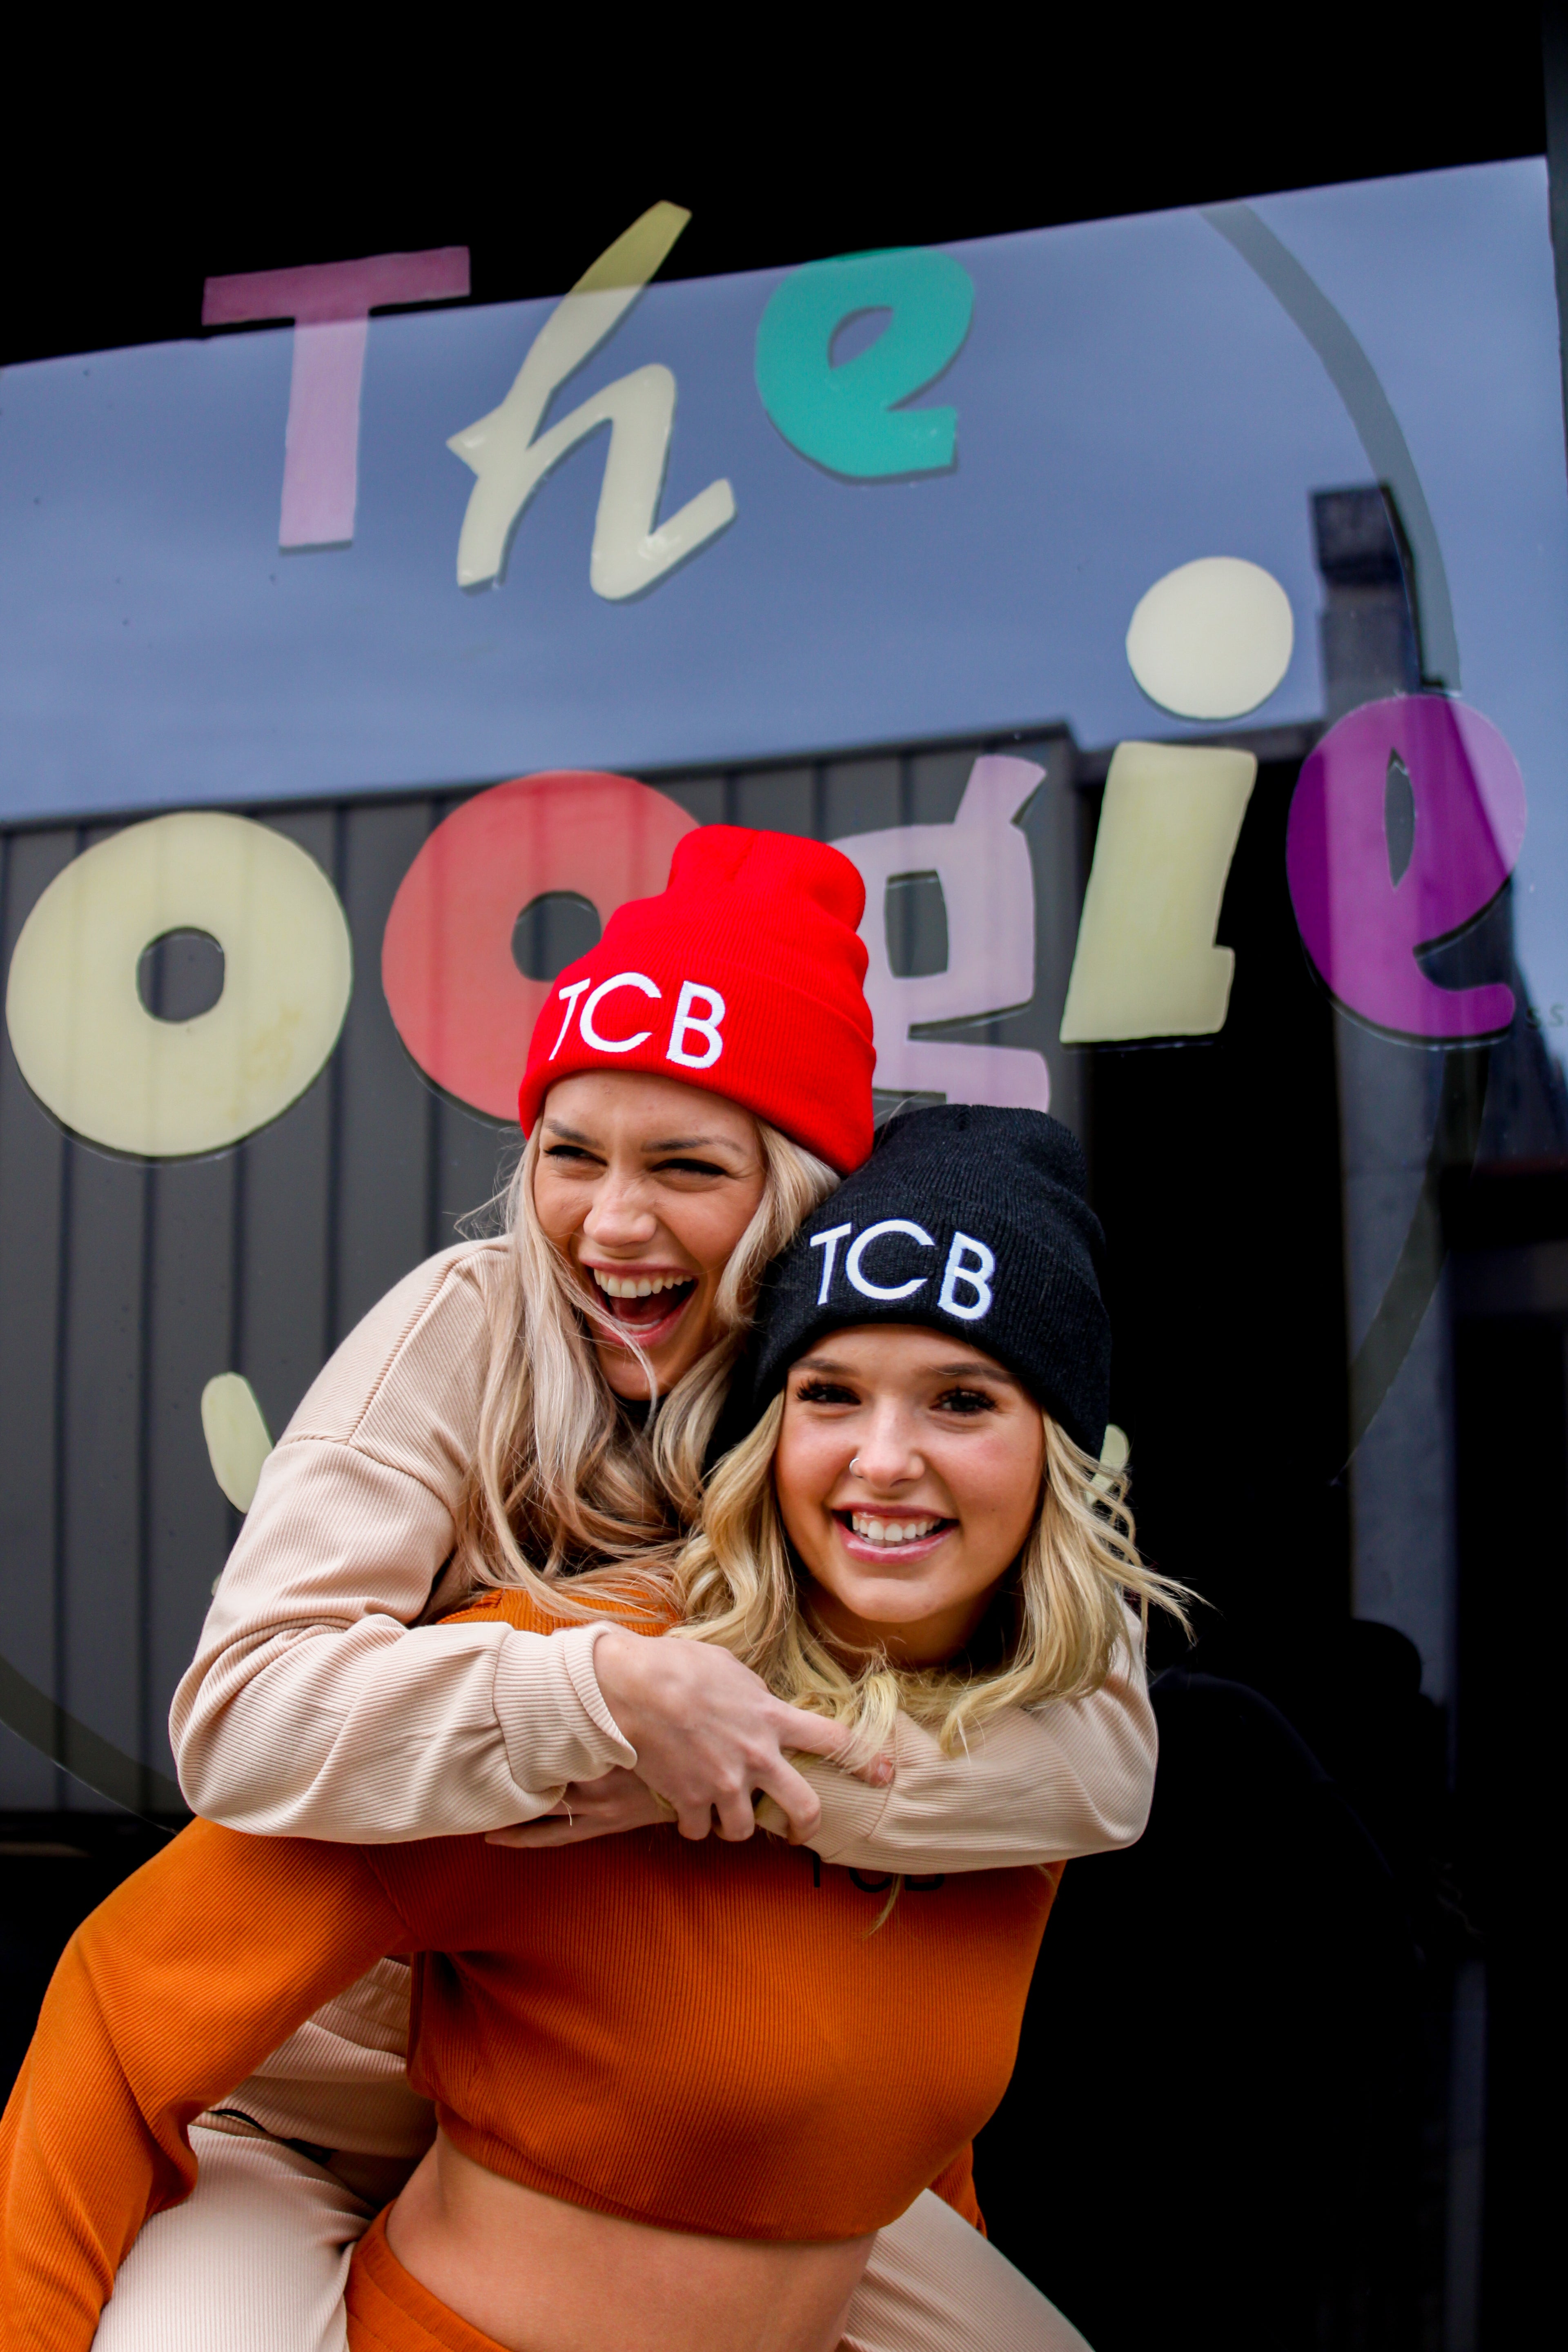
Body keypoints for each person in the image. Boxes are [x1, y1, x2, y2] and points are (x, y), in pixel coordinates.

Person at [97, 832, 1158, 2351]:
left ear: (795, 1196)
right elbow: (245, 1717)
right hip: (324, 2117)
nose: (607, 1225)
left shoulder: (868, 1370)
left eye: (686, 1165)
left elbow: (1101, 1758)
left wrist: (709, 1762)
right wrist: (592, 1699)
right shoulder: (470, 1323)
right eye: (569, 1152)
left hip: (671, 2139)